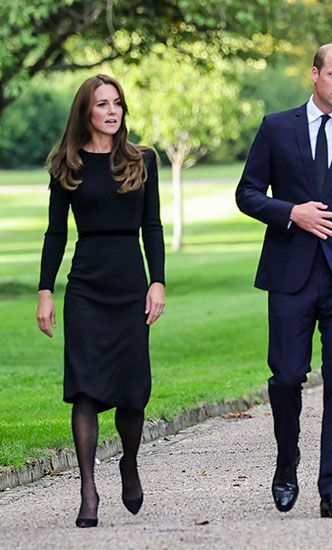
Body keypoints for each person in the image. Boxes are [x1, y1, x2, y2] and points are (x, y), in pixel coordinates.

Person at [236, 43, 332, 519]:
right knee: (286, 377)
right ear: (314, 75)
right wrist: (291, 213)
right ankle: (287, 463)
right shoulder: (277, 128)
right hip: (290, 276)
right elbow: (246, 193)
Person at [36, 74, 165, 527]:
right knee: (85, 388)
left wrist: (158, 282)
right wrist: (45, 290)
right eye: (102, 104)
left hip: (130, 285)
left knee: (132, 393)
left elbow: (152, 226)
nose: (112, 112)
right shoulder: (65, 165)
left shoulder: (142, 160)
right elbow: (55, 233)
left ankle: (129, 461)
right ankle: (88, 489)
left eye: (117, 104)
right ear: (85, 112)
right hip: (86, 288)